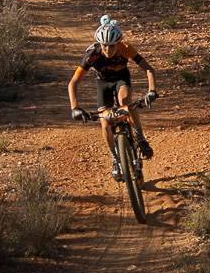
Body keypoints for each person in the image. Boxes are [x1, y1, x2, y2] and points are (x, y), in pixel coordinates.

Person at [68, 16, 158, 176]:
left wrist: (151, 90)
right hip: (103, 84)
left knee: (125, 102)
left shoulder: (126, 48)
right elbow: (74, 82)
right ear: (99, 44)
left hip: (121, 79)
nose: (108, 50)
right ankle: (115, 158)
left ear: (118, 43)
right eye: (104, 46)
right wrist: (74, 108)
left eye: (111, 46)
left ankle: (140, 137)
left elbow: (148, 69)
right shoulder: (92, 54)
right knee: (105, 122)